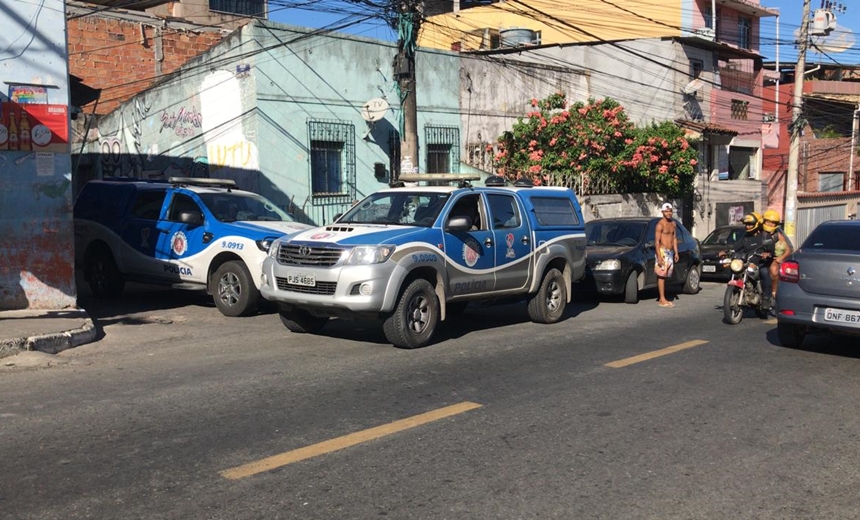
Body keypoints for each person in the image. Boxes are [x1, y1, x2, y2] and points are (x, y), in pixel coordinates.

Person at [732, 212, 775, 307]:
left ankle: (766, 298)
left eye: (750, 224)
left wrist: (767, 253)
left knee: (764, 272)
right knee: (735, 270)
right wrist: (727, 252)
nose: (747, 226)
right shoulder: (746, 237)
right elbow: (736, 247)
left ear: (758, 223)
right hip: (747, 261)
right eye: (746, 224)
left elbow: (771, 250)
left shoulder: (765, 236)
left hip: (760, 262)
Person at [762, 209, 793, 305]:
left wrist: (780, 258)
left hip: (772, 258)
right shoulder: (758, 232)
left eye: (773, 222)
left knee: (774, 270)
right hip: (758, 257)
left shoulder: (778, 234)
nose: (770, 224)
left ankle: (774, 292)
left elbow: (789, 249)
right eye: (768, 221)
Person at [655, 203, 679, 308]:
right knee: (661, 275)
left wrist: (676, 252)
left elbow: (674, 238)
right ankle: (662, 299)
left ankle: (662, 298)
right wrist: (659, 256)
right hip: (662, 251)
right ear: (662, 212)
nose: (668, 213)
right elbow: (656, 241)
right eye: (666, 211)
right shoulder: (660, 224)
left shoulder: (673, 224)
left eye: (670, 211)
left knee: (666, 276)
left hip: (670, 252)